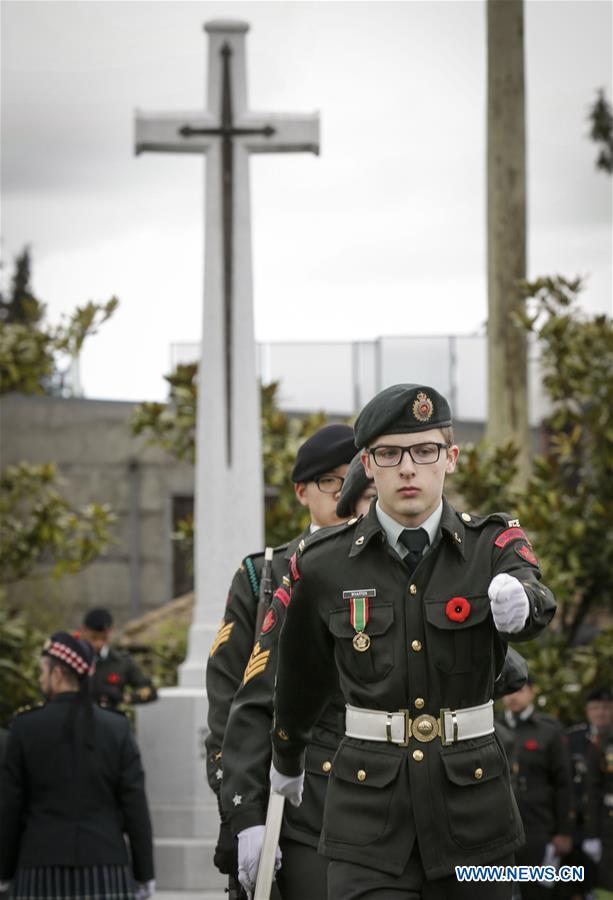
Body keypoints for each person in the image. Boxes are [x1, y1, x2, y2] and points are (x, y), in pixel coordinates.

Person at [269, 383, 557, 899]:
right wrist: (285, 759)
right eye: (389, 453)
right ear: (368, 464)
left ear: (450, 458)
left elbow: (533, 593)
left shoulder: (491, 544)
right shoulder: (322, 564)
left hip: (475, 815)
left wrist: (523, 604)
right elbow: (302, 678)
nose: (408, 468)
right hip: (367, 820)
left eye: (424, 451)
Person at [205, 424, 356, 892]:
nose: (347, 493)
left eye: (357, 478)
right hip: (290, 800)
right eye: (332, 481)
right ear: (301, 491)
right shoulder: (264, 573)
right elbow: (231, 701)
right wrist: (244, 811)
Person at [0, 631, 154, 899]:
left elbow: (10, 807)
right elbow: (134, 805)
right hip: (106, 866)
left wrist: (3, 872)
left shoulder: (25, 727)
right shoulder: (116, 727)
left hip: (39, 868)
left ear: (58, 674)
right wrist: (144, 873)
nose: (39, 678)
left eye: (42, 671)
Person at [500, 681, 574, 898]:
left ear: (532, 692)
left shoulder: (548, 730)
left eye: (520, 690)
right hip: (499, 828)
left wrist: (564, 831)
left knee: (537, 892)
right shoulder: (492, 727)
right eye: (508, 691)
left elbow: (563, 783)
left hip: (538, 826)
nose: (513, 697)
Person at [564, 686, 613, 899]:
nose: (600, 713)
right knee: (577, 881)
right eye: (595, 708)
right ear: (587, 710)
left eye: (606, 708)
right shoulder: (573, 738)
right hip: (577, 818)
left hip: (605, 820)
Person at [82, 608, 157, 710]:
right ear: (84, 630)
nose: (99, 644)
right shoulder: (75, 659)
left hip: (109, 719)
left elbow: (149, 690)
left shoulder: (122, 662)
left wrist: (126, 697)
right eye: (94, 638)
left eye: (104, 638)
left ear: (111, 631)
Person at [582, 694, 613, 897]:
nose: (601, 713)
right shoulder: (602, 742)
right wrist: (592, 833)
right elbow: (593, 790)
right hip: (607, 824)